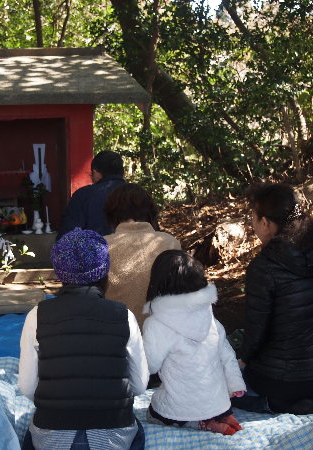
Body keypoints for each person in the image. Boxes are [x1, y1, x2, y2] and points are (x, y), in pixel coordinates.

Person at [18, 228, 149, 449]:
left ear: (60, 273)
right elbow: (139, 385)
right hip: (114, 432)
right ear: (104, 272)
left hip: (52, 432)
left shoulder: (37, 316)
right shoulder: (124, 315)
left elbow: (27, 387)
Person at [232, 183, 313, 415]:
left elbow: (256, 331)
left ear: (265, 223)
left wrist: (242, 361)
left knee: (217, 384)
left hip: (277, 381)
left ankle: (275, 403)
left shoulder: (264, 267)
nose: (253, 225)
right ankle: (298, 399)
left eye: (254, 219)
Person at [143, 250, 246, 435]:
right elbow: (227, 355)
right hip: (219, 403)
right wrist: (236, 385)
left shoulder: (156, 323)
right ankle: (223, 416)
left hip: (180, 409)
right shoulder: (208, 315)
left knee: (153, 414)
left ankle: (200, 424)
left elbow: (150, 366)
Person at [104, 183, 181, 328]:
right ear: (150, 211)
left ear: (112, 213)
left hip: (119, 332)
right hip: (165, 331)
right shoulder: (170, 242)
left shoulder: (102, 246)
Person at [56, 150, 125, 239]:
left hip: (97, 247)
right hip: (134, 247)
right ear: (123, 172)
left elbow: (67, 237)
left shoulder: (83, 195)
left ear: (95, 173)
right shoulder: (137, 194)